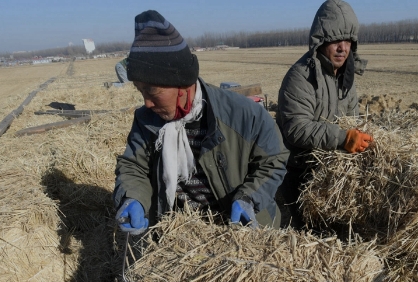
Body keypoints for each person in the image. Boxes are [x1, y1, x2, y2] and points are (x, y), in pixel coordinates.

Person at [114, 10, 289, 234]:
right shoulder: (146, 120)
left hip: (240, 231)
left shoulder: (244, 115)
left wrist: (249, 198)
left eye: (152, 91)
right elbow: (133, 166)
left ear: (182, 83)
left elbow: (274, 160)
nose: (146, 103)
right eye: (140, 91)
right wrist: (133, 198)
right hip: (182, 233)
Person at [276, 0, 371, 228]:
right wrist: (342, 139)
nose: (342, 48)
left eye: (347, 40)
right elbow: (296, 128)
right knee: (300, 236)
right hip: (295, 171)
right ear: (320, 41)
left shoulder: (346, 77)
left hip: (329, 172)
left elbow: (352, 120)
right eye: (335, 40)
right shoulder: (300, 76)